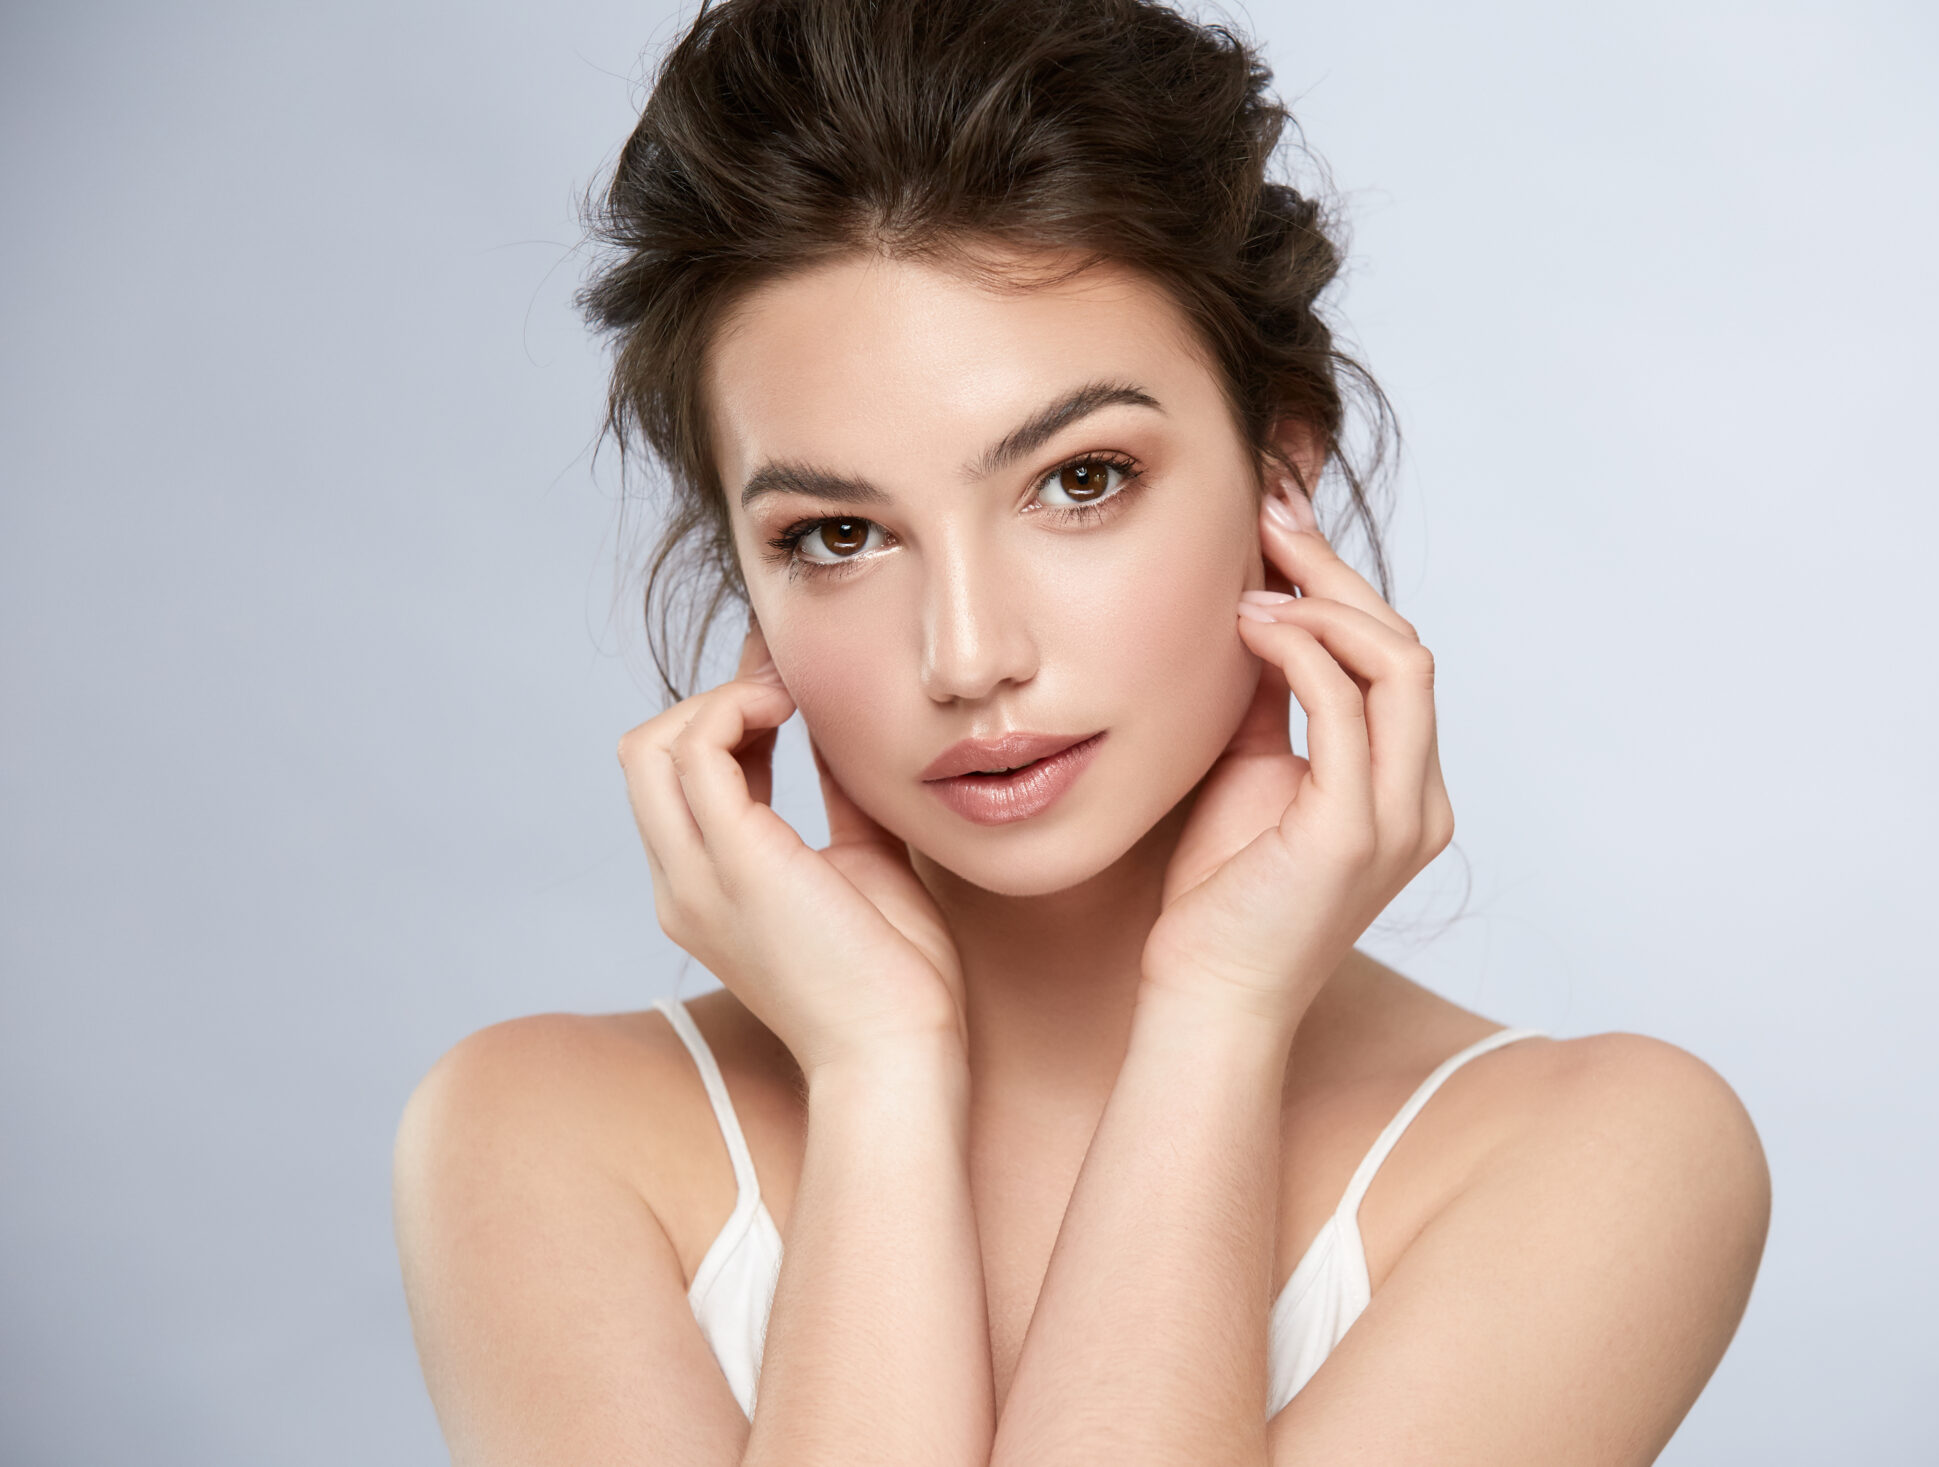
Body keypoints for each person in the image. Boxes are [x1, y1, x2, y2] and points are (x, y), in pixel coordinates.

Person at [392, 1, 1772, 1461]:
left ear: (1279, 478)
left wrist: (1218, 1015)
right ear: (746, 571)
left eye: (1082, 480)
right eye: (840, 533)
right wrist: (878, 1074)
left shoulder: (1602, 1158)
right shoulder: (537, 1138)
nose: (970, 656)